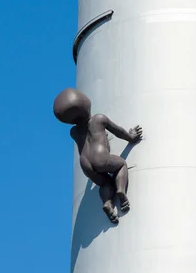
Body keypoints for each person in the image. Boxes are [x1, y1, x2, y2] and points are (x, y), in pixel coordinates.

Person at [53, 88, 142, 224]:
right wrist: (131, 137)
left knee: (105, 182)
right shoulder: (98, 119)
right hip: (99, 156)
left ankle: (107, 202)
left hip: (85, 164)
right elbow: (118, 131)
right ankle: (120, 191)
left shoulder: (74, 132)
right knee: (121, 165)